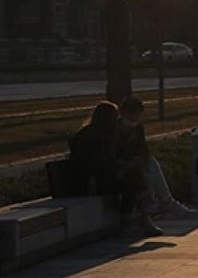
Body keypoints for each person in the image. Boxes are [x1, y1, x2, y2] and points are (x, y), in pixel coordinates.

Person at [69, 101, 160, 236]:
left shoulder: (101, 134)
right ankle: (144, 214)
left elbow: (117, 157)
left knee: (134, 176)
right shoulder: (95, 136)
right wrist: (125, 166)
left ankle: (137, 218)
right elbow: (99, 163)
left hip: (105, 176)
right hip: (93, 181)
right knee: (133, 179)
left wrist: (127, 162)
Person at [118, 97, 195, 220]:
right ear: (123, 112)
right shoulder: (116, 129)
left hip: (137, 162)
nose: (135, 118)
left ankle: (162, 201)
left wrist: (142, 158)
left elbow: (143, 149)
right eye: (132, 114)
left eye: (137, 115)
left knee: (151, 163)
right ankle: (164, 202)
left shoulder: (138, 128)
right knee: (147, 167)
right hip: (123, 165)